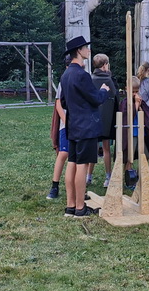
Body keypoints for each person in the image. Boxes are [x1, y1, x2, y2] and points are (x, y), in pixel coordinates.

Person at [60, 36, 113, 218]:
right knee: (82, 165)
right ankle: (80, 208)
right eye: (86, 48)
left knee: (72, 163)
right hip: (86, 127)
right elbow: (96, 99)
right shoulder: (82, 75)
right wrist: (104, 90)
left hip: (73, 125)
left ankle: (70, 206)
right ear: (79, 51)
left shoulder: (66, 74)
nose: (88, 50)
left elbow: (64, 102)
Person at [91, 53, 118, 188]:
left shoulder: (90, 79)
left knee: (92, 148)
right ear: (105, 65)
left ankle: (88, 176)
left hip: (93, 119)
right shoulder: (108, 80)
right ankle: (108, 176)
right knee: (106, 148)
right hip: (107, 120)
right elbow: (115, 96)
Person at [118, 76, 149, 189]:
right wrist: (135, 105)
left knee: (145, 155)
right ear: (127, 89)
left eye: (137, 91)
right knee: (129, 158)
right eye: (133, 91)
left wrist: (140, 106)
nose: (135, 94)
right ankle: (129, 180)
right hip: (131, 134)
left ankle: (140, 176)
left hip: (141, 132)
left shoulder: (140, 101)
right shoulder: (125, 102)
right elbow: (128, 118)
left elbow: (146, 114)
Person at [47, 82, 69, 200]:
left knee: (78, 158)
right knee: (63, 153)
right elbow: (58, 103)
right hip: (65, 125)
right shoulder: (64, 81)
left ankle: (78, 189)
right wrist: (66, 122)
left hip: (80, 125)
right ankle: (54, 186)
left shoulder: (85, 77)